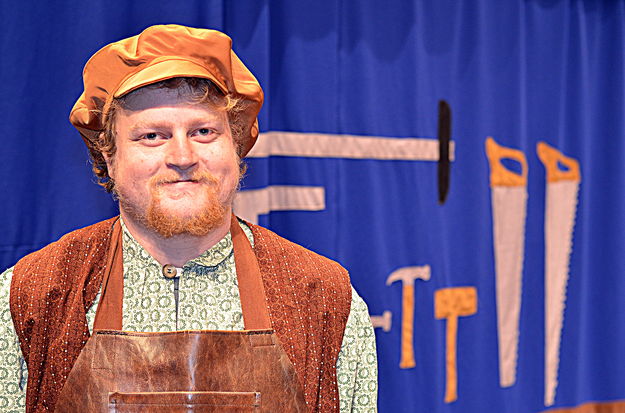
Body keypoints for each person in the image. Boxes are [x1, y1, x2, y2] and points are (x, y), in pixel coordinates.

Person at [0, 25, 377, 412]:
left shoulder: (324, 298)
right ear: (109, 157)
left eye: (203, 131)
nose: (182, 157)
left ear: (237, 147)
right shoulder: (30, 296)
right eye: (152, 136)